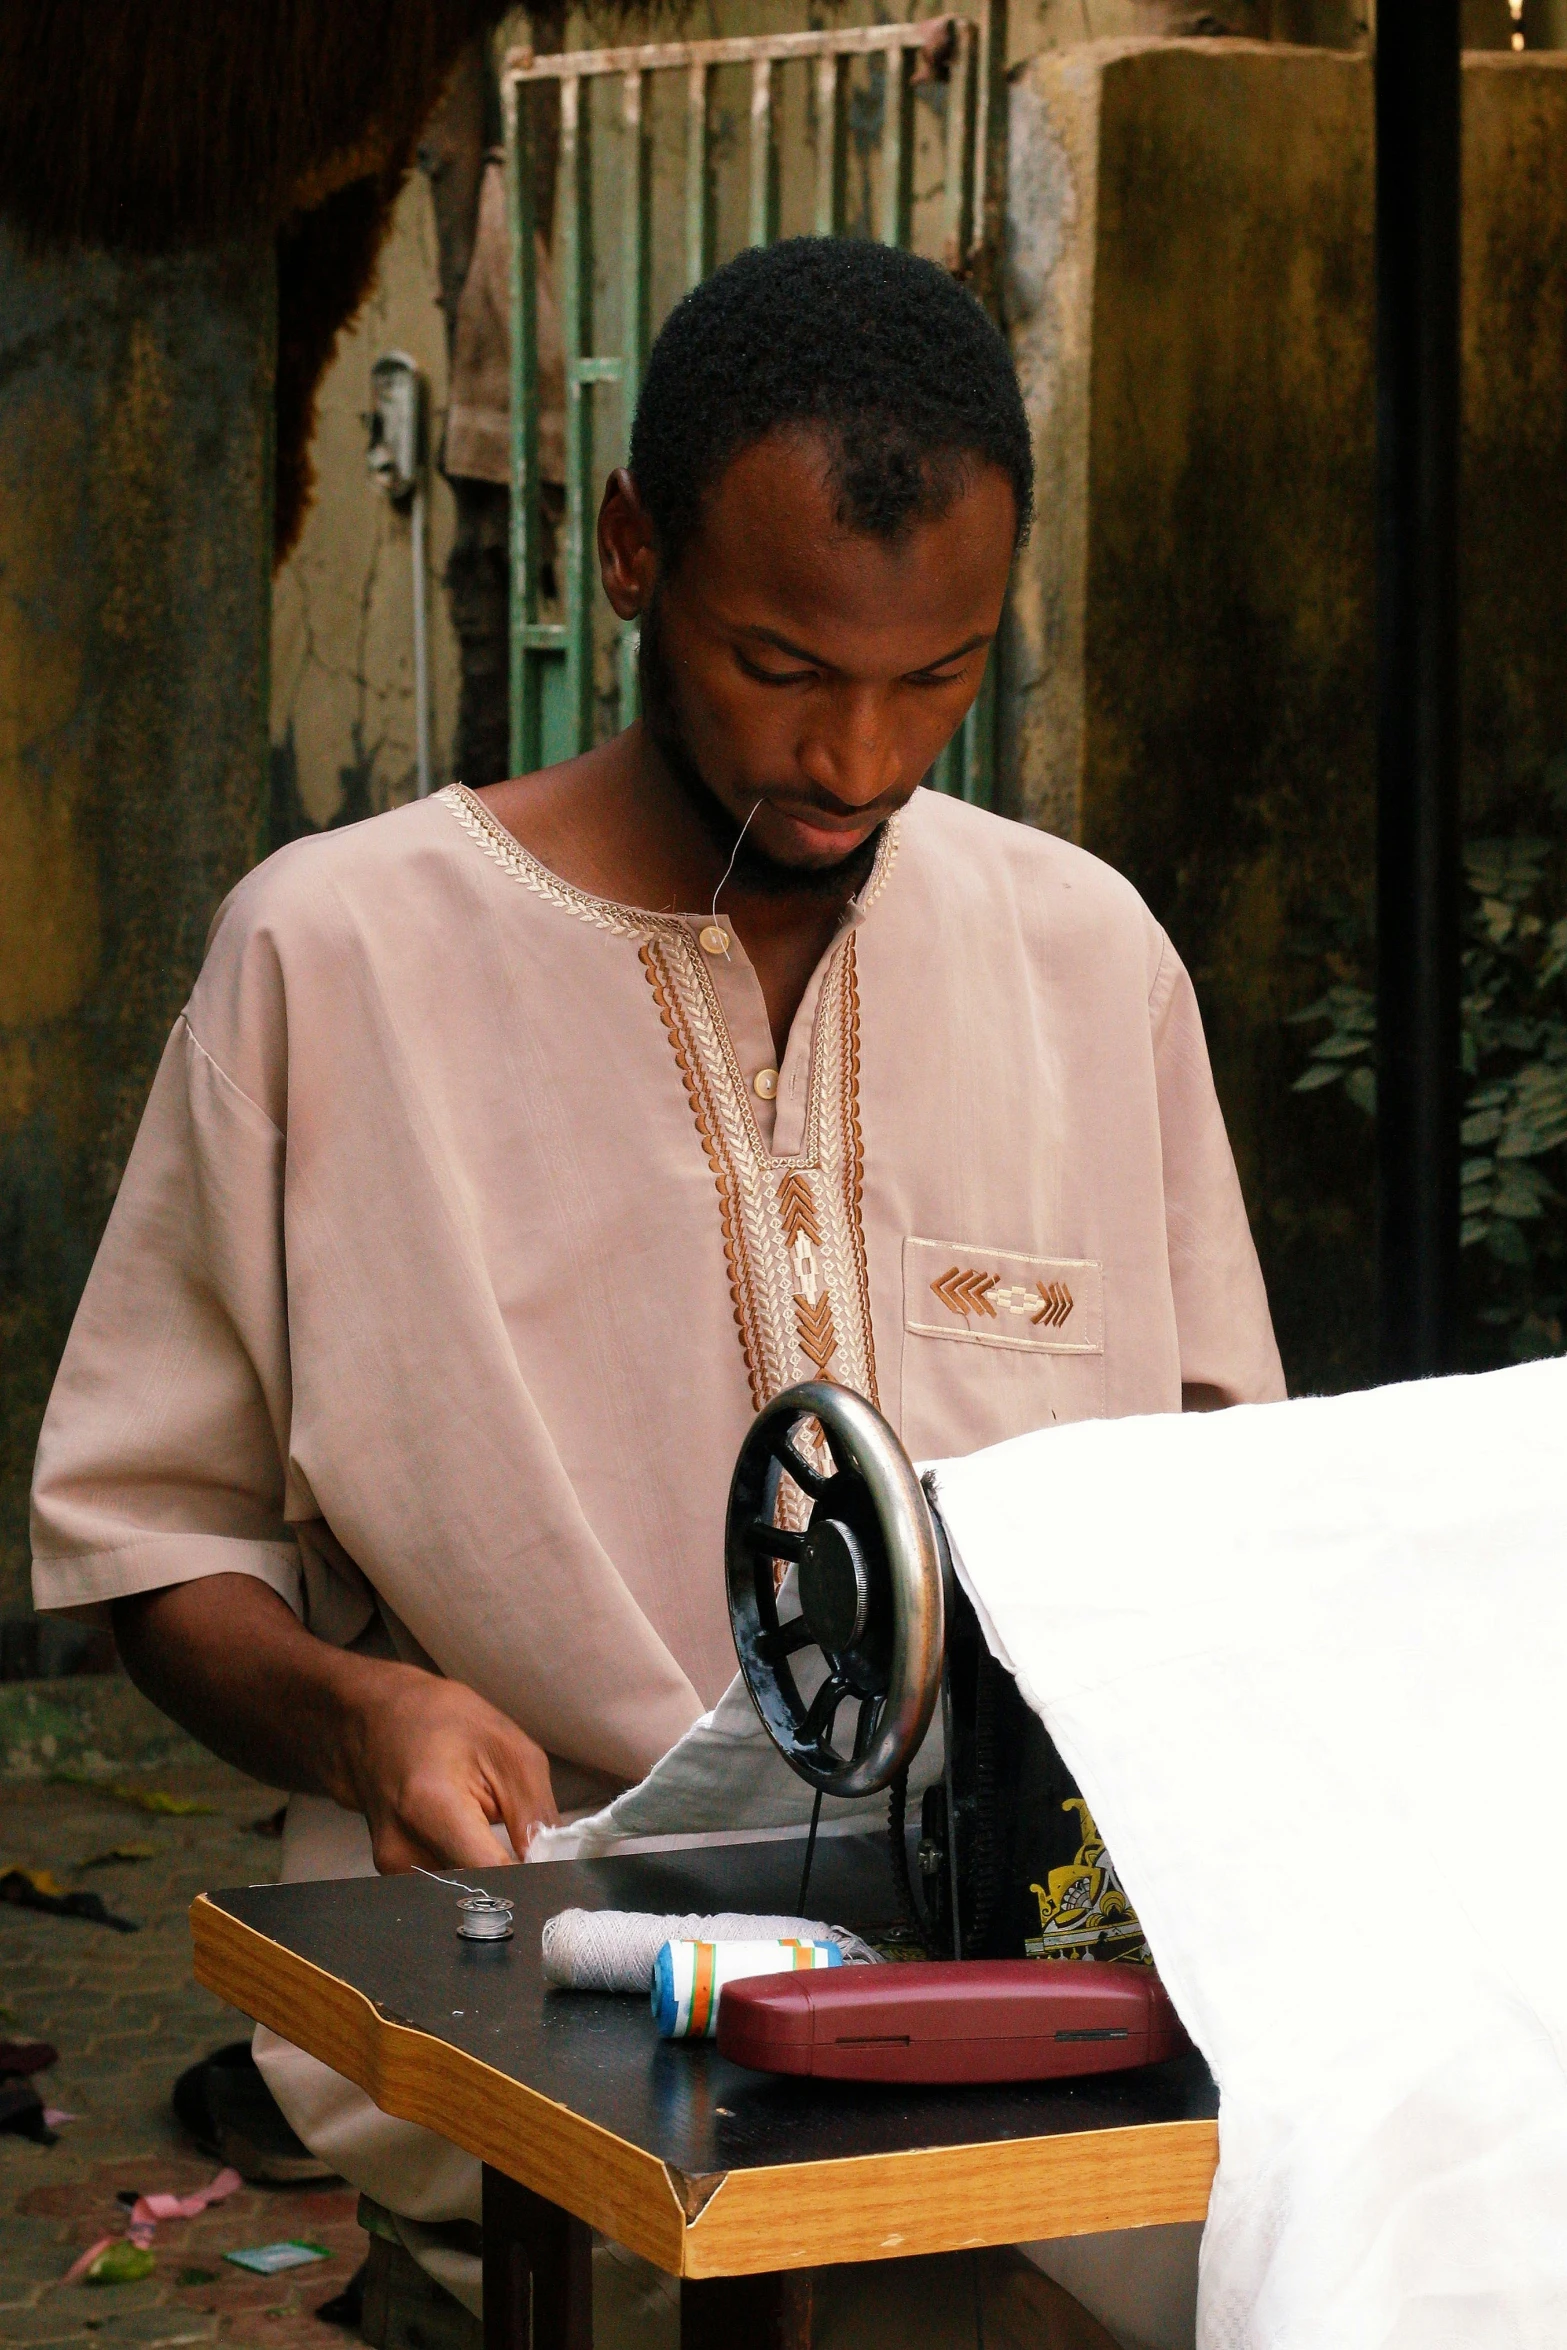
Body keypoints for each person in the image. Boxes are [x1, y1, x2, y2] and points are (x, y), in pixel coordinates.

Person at [31, 238, 1284, 2347]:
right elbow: (150, 1538)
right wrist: (367, 1706)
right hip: (557, 1991)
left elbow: (1220, 1521)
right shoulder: (331, 967)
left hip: (1025, 1997)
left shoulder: (1093, 958)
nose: (860, 757)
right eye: (783, 662)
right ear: (629, 551)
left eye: (940, 673)